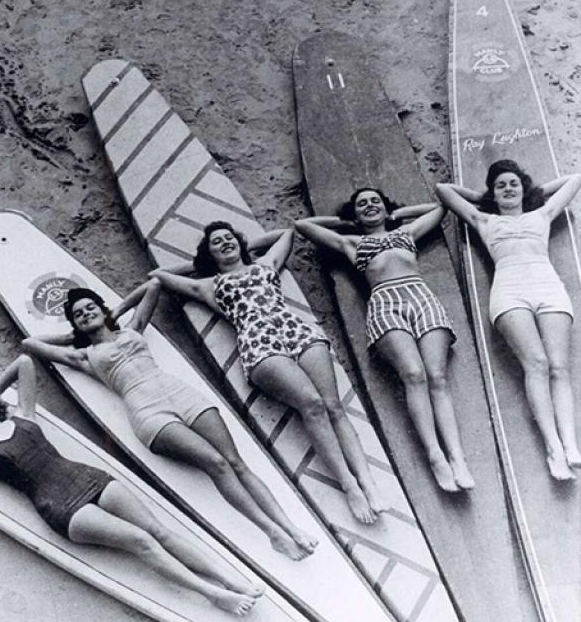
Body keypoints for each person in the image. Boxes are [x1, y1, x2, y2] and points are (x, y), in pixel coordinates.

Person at [0, 355, 262, 614]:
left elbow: (24, 362)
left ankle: (230, 580)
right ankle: (213, 594)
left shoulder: (25, 416)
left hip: (87, 476)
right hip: (60, 507)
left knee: (158, 530)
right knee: (140, 541)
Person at [22, 280, 316, 560]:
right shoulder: (85, 356)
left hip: (180, 393)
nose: (85, 314)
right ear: (75, 325)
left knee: (236, 462)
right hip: (148, 411)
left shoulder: (133, 329)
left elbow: (153, 286)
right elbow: (31, 343)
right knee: (215, 464)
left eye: (90, 308)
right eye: (78, 315)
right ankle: (273, 534)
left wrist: (114, 313)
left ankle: (291, 528)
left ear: (102, 308)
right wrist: (71, 336)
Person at [150, 221, 389, 524]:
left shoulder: (266, 264)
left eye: (229, 238)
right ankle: (349, 485)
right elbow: (158, 276)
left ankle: (368, 481)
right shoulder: (208, 284)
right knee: (312, 406)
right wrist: (200, 264)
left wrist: (244, 246)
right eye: (216, 243)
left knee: (333, 405)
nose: (225, 243)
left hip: (296, 331)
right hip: (260, 343)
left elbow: (286, 232)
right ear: (209, 255)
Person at [294, 188, 474, 493]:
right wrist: (345, 219)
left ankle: (458, 458)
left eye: (375, 201)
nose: (369, 206)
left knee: (438, 377)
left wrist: (396, 214)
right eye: (361, 203)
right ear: (355, 213)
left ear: (385, 206)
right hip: (385, 302)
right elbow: (304, 226)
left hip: (421, 298)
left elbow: (440, 208)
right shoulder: (352, 242)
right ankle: (435, 455)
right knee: (413, 375)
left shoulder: (406, 232)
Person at [436, 160, 581, 480]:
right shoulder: (483, 219)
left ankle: (571, 442)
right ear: (493, 193)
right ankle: (553, 447)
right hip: (509, 292)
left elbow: (575, 179)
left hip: (548, 286)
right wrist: (482, 196)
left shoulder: (541, 214)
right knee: (537, 364)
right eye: (500, 185)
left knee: (559, 367)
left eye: (513, 183)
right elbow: (443, 190)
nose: (508, 189)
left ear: (523, 187)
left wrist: (532, 191)